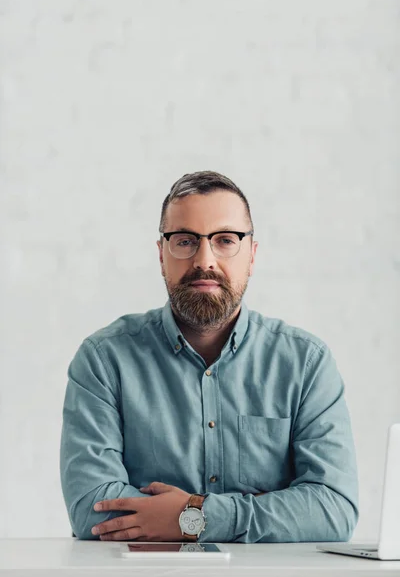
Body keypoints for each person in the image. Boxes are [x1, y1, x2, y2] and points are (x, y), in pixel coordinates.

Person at [60, 171, 358, 543]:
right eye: (184, 241)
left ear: (252, 253)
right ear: (160, 254)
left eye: (225, 240)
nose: (205, 260)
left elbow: (333, 509)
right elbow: (92, 508)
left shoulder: (306, 364)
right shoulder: (104, 361)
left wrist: (194, 516)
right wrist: (269, 510)